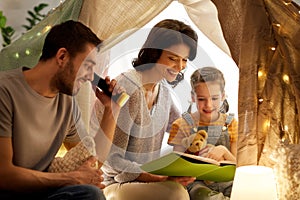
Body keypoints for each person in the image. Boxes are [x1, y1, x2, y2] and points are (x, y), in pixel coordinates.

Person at [0, 20, 122, 200]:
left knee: (89, 193)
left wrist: (111, 110)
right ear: (62, 56)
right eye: (87, 66)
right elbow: (4, 175)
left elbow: (91, 163)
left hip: (42, 194)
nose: (90, 77)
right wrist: (70, 178)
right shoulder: (5, 91)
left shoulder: (67, 103)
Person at [95, 19, 198, 200]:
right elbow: (112, 161)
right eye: (173, 59)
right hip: (114, 182)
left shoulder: (162, 89)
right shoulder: (128, 88)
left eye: (184, 60)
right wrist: (159, 177)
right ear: (154, 53)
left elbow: (180, 127)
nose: (180, 67)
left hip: (146, 178)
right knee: (177, 195)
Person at [168, 66, 238, 200]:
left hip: (228, 182)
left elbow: (237, 167)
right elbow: (177, 167)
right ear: (193, 97)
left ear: (223, 96)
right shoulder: (182, 125)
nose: (209, 105)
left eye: (214, 98)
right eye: (201, 99)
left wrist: (223, 151)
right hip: (197, 185)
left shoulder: (231, 123)